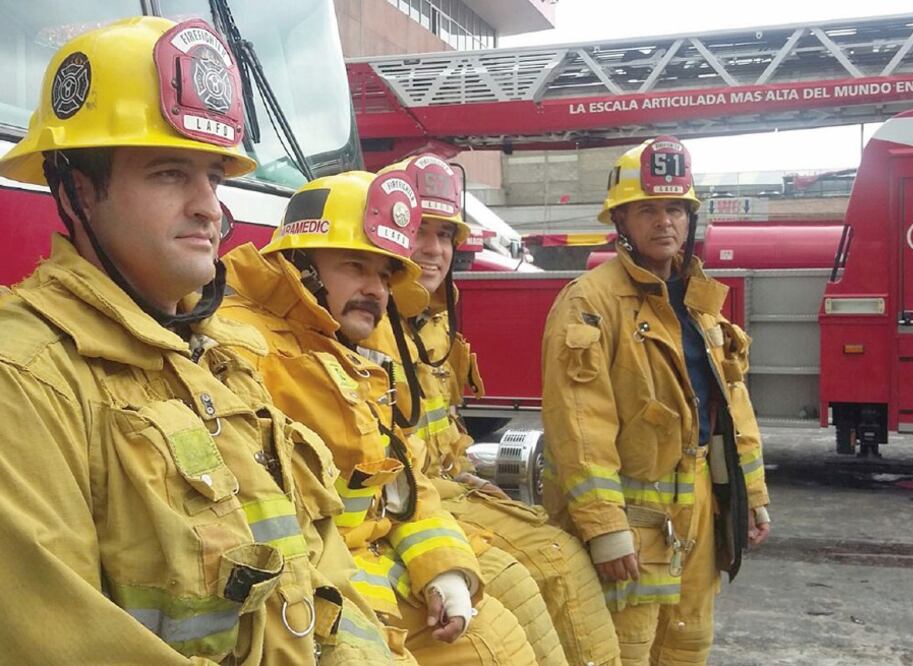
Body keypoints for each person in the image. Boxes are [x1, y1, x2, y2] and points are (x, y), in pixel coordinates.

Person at [0, 16, 394, 664]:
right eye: (167, 174)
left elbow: (322, 568)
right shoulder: (25, 380)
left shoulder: (219, 356)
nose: (209, 206)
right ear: (76, 189)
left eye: (212, 176)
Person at [219, 170, 538, 665]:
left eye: (385, 276)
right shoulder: (243, 349)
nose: (377, 290)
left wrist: (445, 570)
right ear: (299, 263)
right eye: (355, 266)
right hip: (322, 608)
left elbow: (401, 479)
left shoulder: (345, 351)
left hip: (382, 580)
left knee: (502, 641)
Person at [367, 153, 622, 666]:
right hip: (412, 508)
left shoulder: (436, 322)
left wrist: (464, 471)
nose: (435, 250)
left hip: (449, 491)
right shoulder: (364, 326)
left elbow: (443, 426)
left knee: (559, 558)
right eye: (421, 231)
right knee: (542, 570)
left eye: (445, 236)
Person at [541, 136, 772, 665]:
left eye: (674, 209)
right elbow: (579, 425)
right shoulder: (590, 302)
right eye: (647, 210)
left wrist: (751, 493)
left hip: (699, 520)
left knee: (687, 647)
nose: (663, 222)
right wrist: (604, 528)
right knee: (622, 652)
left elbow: (731, 409)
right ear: (621, 222)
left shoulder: (700, 303)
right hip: (634, 528)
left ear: (690, 219)